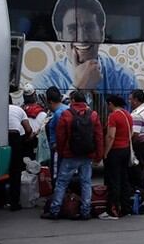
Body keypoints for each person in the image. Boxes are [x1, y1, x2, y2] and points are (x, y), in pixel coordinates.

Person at [31, 0, 137, 102]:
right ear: (60, 36)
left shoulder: (125, 79)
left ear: (101, 33)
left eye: (89, 27)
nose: (81, 38)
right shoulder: (43, 83)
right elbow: (47, 119)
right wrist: (79, 88)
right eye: (72, 29)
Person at [43, 90, 103, 220]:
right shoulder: (93, 115)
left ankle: (55, 210)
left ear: (73, 101)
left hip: (70, 155)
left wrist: (61, 151)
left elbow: (60, 136)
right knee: (86, 182)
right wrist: (98, 155)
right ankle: (85, 211)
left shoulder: (67, 114)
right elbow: (98, 137)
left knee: (62, 183)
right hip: (87, 155)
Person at [100, 94, 134, 220]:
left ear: (110, 104)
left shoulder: (113, 116)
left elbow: (111, 136)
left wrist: (105, 152)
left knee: (113, 181)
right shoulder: (127, 115)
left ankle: (112, 211)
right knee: (124, 179)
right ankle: (126, 208)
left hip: (115, 151)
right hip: (125, 150)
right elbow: (131, 132)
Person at [7, 95, 33, 211]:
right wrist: (26, 139)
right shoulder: (19, 109)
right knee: (15, 170)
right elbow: (28, 129)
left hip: (0, 138)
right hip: (15, 138)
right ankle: (14, 203)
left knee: (1, 169)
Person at [44, 86, 68, 176]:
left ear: (50, 102)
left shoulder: (58, 114)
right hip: (67, 150)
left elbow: (61, 134)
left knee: (59, 177)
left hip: (59, 150)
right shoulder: (67, 108)